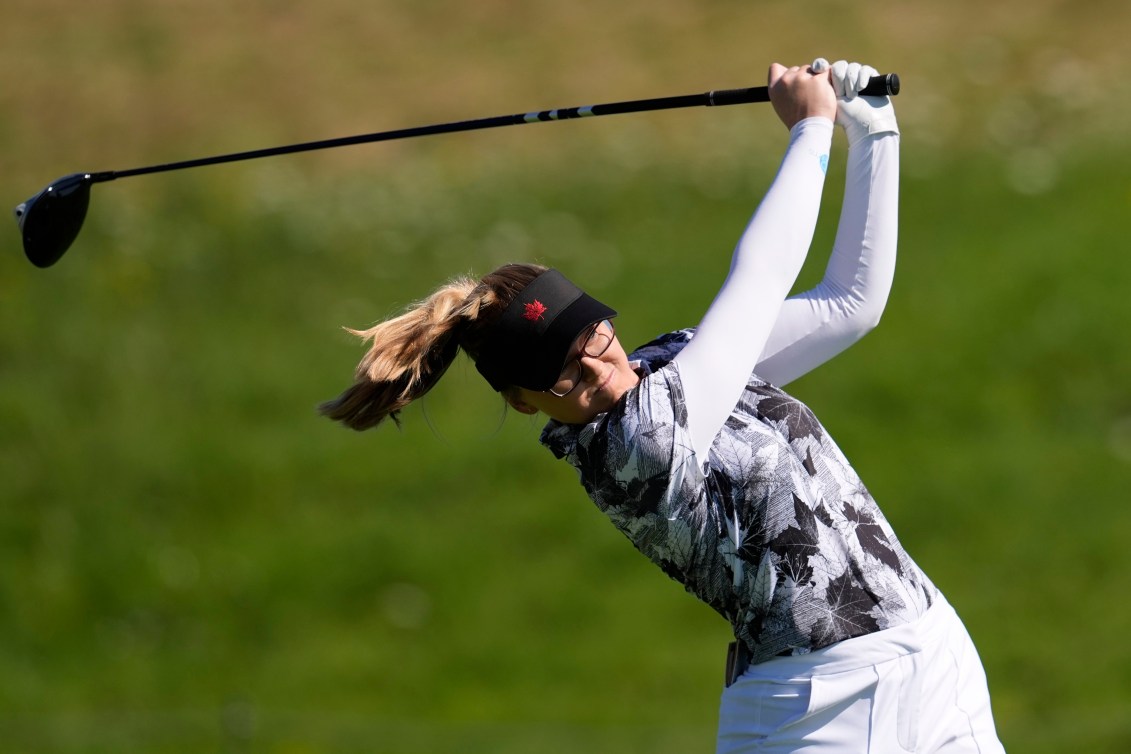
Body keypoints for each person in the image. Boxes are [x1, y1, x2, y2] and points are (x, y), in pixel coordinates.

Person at [320, 59, 1006, 753]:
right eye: (557, 371)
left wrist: (872, 130)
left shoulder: (673, 364)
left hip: (931, 656)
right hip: (817, 713)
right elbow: (762, 273)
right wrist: (809, 129)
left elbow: (847, 305)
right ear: (522, 403)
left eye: (588, 333)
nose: (592, 364)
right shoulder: (632, 449)